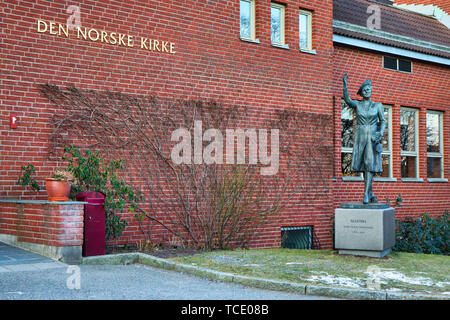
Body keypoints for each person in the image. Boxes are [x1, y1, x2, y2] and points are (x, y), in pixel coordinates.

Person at [342, 73, 385, 204]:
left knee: (369, 163)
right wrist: (345, 86)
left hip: (372, 136)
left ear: (371, 91)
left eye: (369, 89)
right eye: (365, 90)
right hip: (360, 135)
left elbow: (382, 121)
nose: (367, 91)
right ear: (361, 92)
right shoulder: (358, 104)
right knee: (363, 164)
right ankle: (371, 192)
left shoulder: (378, 105)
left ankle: (366, 194)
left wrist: (380, 132)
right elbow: (348, 100)